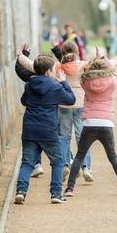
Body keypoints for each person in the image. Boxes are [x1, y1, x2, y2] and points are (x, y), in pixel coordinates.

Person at [19, 42, 93, 182]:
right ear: (77, 51)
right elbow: (100, 66)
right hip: (80, 104)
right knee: (81, 137)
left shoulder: (59, 67)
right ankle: (86, 167)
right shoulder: (84, 65)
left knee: (64, 136)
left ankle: (66, 163)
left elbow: (31, 65)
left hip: (64, 106)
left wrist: (21, 56)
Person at [64, 48, 117, 197]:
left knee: (79, 156)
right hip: (106, 123)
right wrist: (102, 57)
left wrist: (92, 62)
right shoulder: (112, 81)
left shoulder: (85, 82)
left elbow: (81, 76)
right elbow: (112, 69)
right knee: (113, 156)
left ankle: (69, 189)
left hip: (89, 123)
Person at [15, 54, 76, 204]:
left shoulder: (29, 85)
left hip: (30, 129)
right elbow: (70, 99)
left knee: (27, 163)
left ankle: (21, 192)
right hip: (48, 130)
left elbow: (24, 101)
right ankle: (55, 194)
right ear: (49, 71)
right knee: (57, 162)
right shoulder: (56, 87)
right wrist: (63, 82)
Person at [15, 44, 45, 178]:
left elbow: (20, 69)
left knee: (33, 142)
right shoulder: (55, 78)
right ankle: (67, 162)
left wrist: (23, 54)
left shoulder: (30, 79)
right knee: (57, 141)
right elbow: (70, 65)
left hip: (32, 118)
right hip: (49, 117)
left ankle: (37, 164)